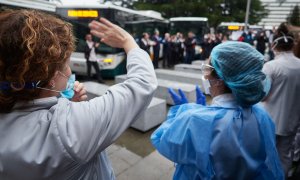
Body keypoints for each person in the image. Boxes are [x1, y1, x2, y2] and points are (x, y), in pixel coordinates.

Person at [0, 10, 157, 180]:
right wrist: (128, 42)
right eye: (66, 64)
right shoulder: (69, 128)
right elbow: (142, 84)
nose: (70, 71)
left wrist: (64, 102)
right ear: (52, 78)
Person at [151, 41, 284, 179]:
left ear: (220, 80)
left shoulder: (194, 120)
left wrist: (180, 116)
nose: (205, 74)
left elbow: (162, 140)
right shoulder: (262, 114)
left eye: (207, 68)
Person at [262, 23, 300, 177]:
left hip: (269, 119)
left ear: (274, 45)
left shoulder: (271, 66)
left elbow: (262, 94)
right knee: (285, 156)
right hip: (292, 120)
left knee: (266, 157)